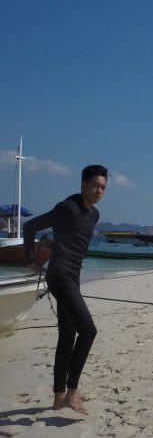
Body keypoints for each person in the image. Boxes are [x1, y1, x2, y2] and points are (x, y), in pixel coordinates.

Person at [24, 165, 108, 414]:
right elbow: (31, 226)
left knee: (68, 334)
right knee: (89, 330)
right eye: (95, 185)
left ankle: (58, 395)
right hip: (59, 276)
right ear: (83, 184)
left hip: (74, 276)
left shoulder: (94, 215)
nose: (99, 191)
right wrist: (32, 259)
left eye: (103, 187)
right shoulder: (67, 208)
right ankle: (72, 392)